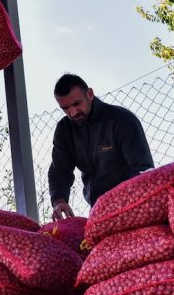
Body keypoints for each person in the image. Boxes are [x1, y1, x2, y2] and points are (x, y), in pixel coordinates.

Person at [48, 74, 154, 221]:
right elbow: (60, 171)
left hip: (134, 208)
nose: (73, 113)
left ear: (90, 94)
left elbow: (144, 170)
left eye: (77, 104)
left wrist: (123, 203)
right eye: (65, 108)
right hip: (97, 212)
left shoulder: (122, 120)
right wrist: (59, 200)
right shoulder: (64, 129)